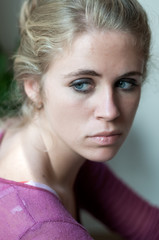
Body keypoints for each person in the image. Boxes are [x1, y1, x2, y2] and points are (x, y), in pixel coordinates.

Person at [0, 0, 158, 239]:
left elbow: (150, 226)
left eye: (125, 83)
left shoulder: (60, 149)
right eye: (82, 84)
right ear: (33, 86)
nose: (110, 111)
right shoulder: (44, 230)